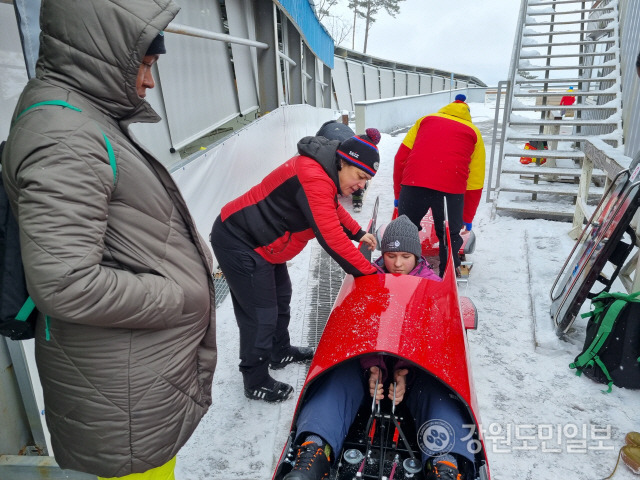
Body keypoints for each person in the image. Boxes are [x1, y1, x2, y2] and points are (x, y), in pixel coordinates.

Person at [1, 2, 217, 479]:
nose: (149, 82)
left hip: (130, 377)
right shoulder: (65, 134)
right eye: (146, 64)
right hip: (122, 390)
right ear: (102, 47)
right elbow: (66, 282)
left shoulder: (81, 119)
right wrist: (179, 297)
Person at [283, 216, 472, 480]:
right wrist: (373, 367)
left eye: (405, 256)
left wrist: (404, 371)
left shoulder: (433, 287)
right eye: (390, 255)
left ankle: (446, 465)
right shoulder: (367, 277)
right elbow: (356, 328)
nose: (397, 263)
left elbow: (434, 341)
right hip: (369, 359)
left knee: (440, 391)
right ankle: (314, 450)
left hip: (418, 368)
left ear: (416, 256)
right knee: (336, 378)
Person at [210, 131, 380, 403]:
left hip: (265, 244)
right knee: (260, 314)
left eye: (366, 181)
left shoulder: (324, 176)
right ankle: (255, 380)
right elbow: (331, 238)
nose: (361, 186)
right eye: (360, 177)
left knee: (281, 297)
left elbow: (331, 209)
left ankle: (280, 351)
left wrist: (358, 232)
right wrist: (370, 274)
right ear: (342, 162)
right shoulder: (313, 175)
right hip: (239, 239)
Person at [393, 94, 485, 277]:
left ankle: (400, 269)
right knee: (449, 235)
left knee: (404, 228)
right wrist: (466, 216)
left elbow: (400, 159)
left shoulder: (425, 121)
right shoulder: (474, 132)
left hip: (414, 183)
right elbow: (475, 181)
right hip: (451, 189)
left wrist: (398, 195)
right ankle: (449, 272)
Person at [316, 120, 377, 213]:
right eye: (361, 177)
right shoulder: (321, 160)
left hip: (346, 139)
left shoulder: (352, 147)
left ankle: (357, 193)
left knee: (355, 173)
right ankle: (356, 194)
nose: (362, 185)